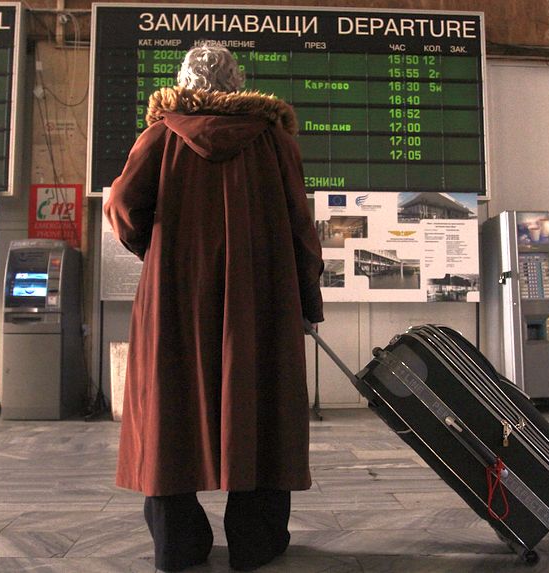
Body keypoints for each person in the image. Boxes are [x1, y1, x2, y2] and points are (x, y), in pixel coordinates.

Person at [104, 43, 324, 572]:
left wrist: (160, 250)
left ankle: (177, 543)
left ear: (184, 82)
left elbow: (123, 207)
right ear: (237, 81)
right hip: (262, 296)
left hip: (174, 295)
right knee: (261, 405)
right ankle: (256, 541)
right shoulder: (275, 142)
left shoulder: (160, 136)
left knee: (168, 405)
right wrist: (306, 299)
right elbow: (302, 228)